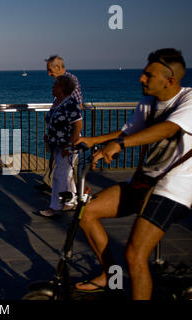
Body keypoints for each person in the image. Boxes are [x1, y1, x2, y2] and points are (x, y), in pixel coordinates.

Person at [74, 48, 192, 300]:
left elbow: (167, 130)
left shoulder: (189, 101)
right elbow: (126, 133)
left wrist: (120, 145)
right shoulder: (147, 103)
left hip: (174, 188)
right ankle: (109, 275)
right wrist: (93, 141)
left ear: (169, 80)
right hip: (144, 180)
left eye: (148, 75)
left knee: (135, 254)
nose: (141, 79)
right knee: (87, 213)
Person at [36, 55, 84, 192]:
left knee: (67, 170)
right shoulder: (61, 83)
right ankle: (56, 190)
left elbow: (76, 108)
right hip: (59, 136)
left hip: (67, 136)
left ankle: (71, 196)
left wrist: (70, 139)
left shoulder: (70, 82)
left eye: (50, 70)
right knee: (59, 166)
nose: (48, 73)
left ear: (58, 67)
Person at [38, 75, 83, 217]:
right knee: (66, 174)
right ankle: (71, 201)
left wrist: (69, 145)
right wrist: (49, 135)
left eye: (55, 85)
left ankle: (54, 207)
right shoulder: (57, 102)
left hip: (68, 146)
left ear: (62, 88)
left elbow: (78, 125)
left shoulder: (71, 103)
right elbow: (54, 121)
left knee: (59, 175)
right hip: (57, 145)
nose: (52, 87)